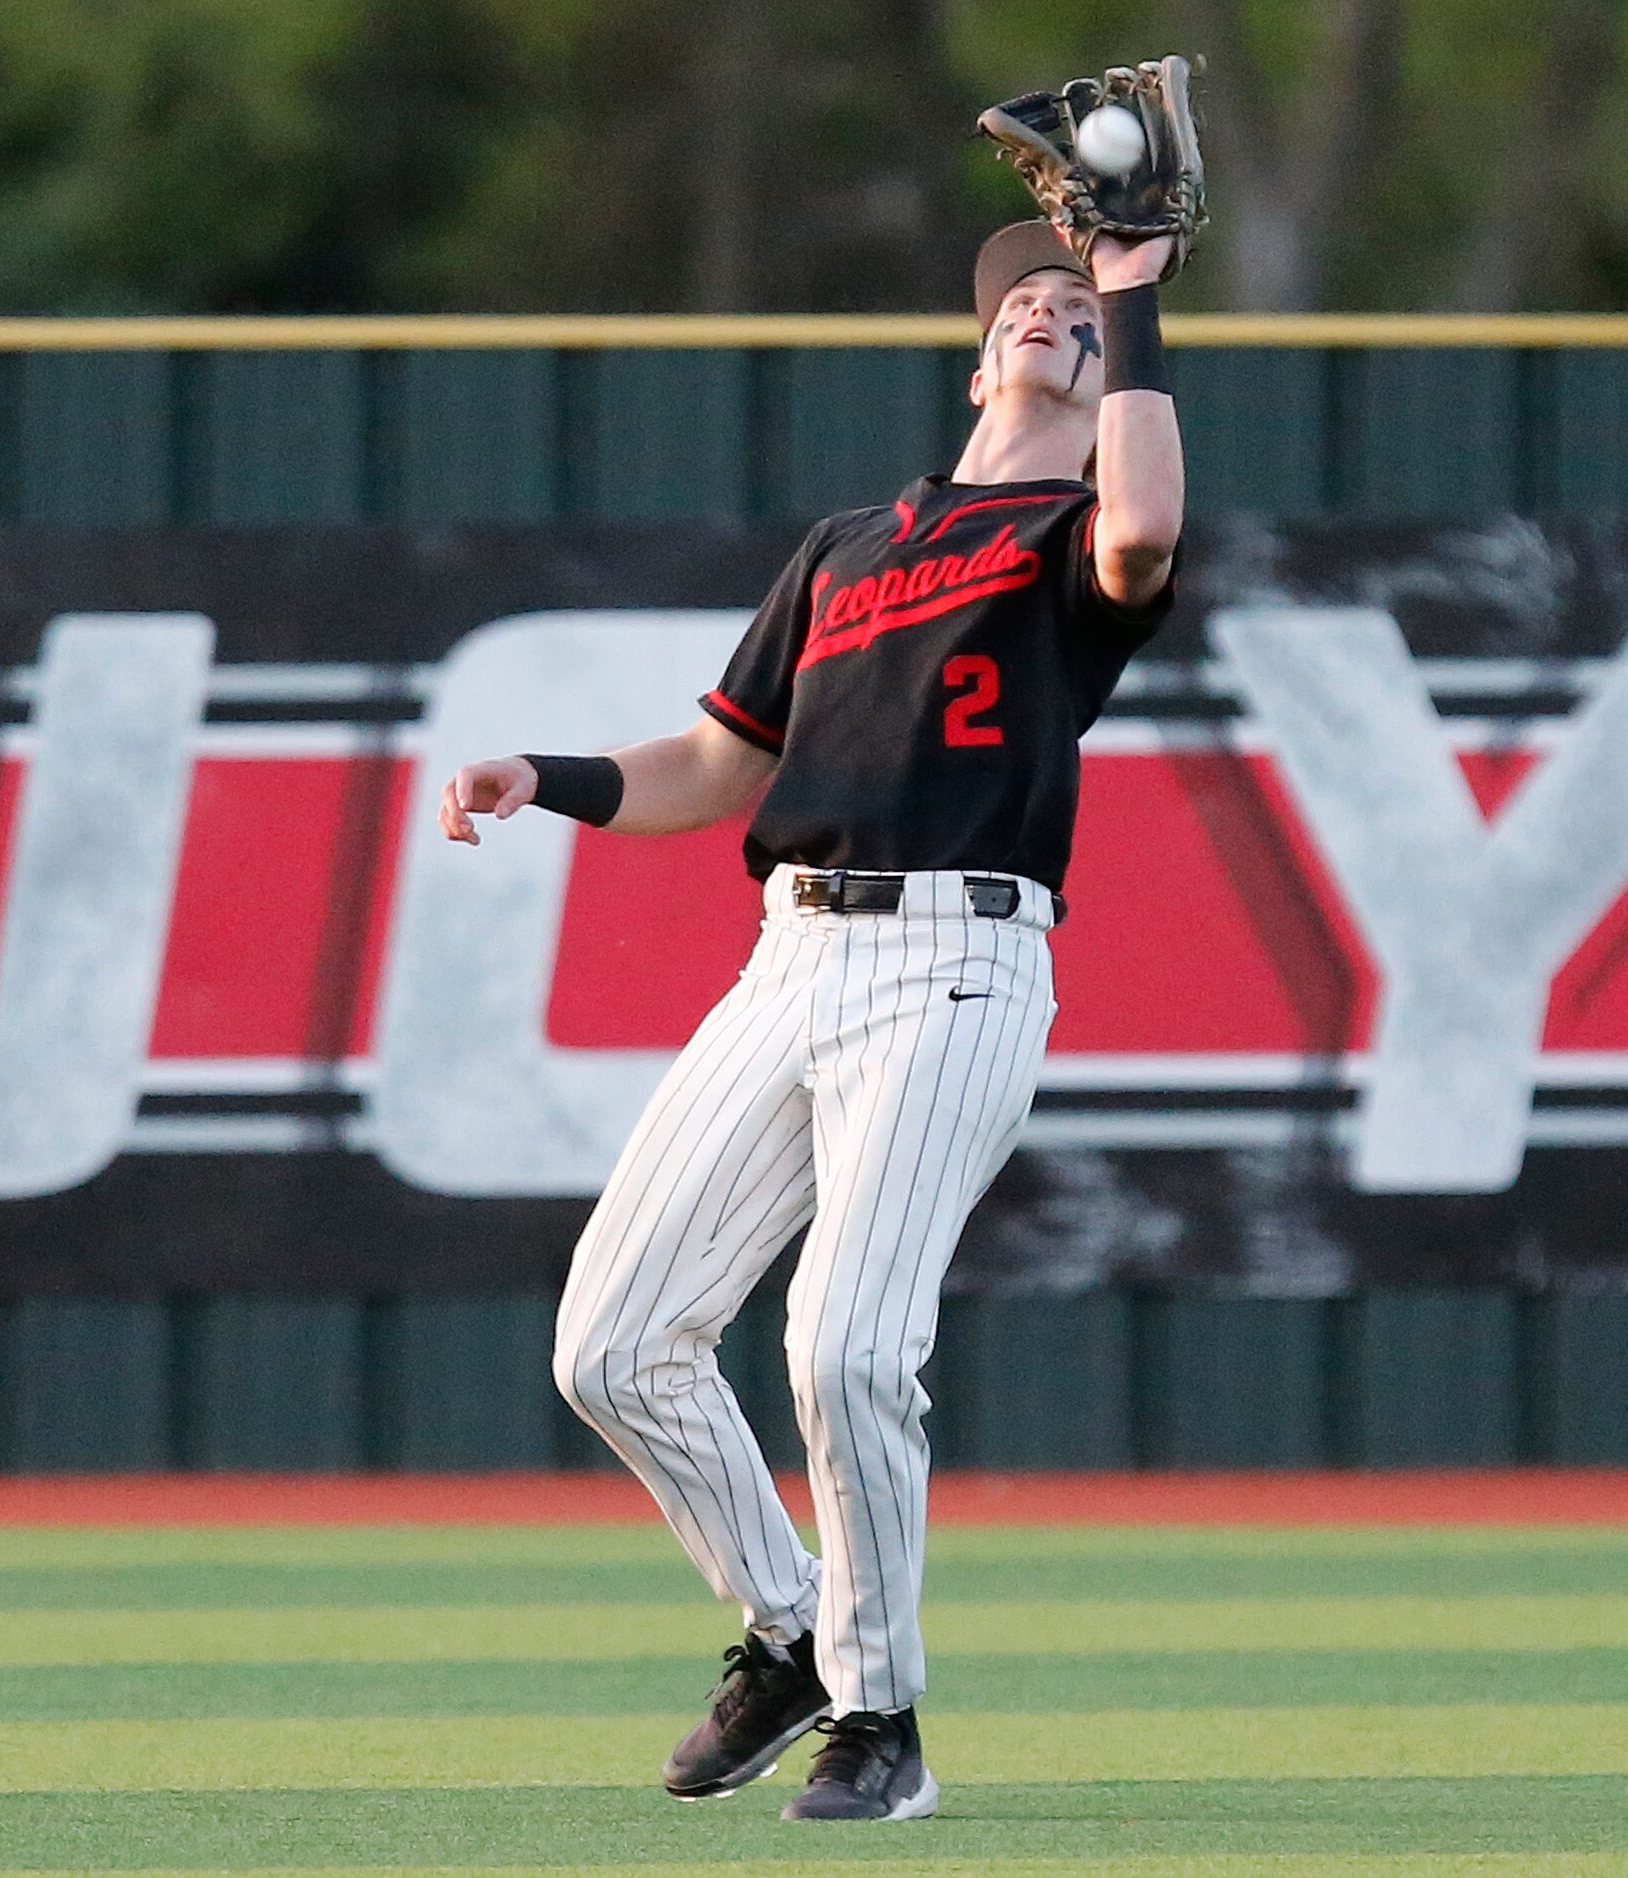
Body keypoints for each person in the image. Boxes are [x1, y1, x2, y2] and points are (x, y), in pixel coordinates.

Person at [437, 214, 1183, 1822]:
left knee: (845, 1347)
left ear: (1108, 365)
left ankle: (884, 1724)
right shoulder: (850, 546)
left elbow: (1141, 533)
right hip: (791, 959)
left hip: (961, 961)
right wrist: (547, 777)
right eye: (1025, 303)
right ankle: (789, 1634)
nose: (1047, 313)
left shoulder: (1074, 532)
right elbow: (717, 767)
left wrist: (1133, 303)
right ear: (978, 355)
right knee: (612, 1344)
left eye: (1075, 309)